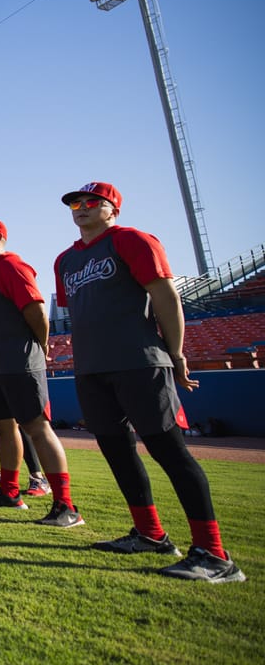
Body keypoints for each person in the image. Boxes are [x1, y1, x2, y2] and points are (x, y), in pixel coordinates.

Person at [55, 181, 244, 582]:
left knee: (169, 451)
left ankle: (214, 554)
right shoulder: (65, 261)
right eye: (75, 202)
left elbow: (165, 295)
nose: (81, 207)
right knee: (117, 451)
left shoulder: (133, 240)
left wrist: (175, 354)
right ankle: (150, 534)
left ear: (113, 209)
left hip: (140, 362)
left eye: (92, 202)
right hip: (92, 368)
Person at [0, 218, 81, 527]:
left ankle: (65, 506)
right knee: (2, 428)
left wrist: (38, 347)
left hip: (17, 362)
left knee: (37, 428)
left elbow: (37, 311)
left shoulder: (11, 266)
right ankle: (10, 492)